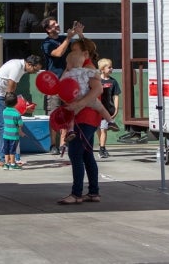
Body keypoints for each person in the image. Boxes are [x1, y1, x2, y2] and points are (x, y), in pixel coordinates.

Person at [57, 38, 104, 205]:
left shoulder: (88, 69)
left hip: (85, 117)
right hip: (85, 117)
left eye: (75, 50)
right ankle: (93, 192)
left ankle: (77, 193)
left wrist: (80, 104)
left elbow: (97, 89)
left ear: (85, 54)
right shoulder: (78, 68)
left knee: (76, 153)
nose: (72, 54)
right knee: (86, 154)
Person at [0, 55, 43, 167]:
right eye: (35, 69)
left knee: (8, 125)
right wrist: (10, 106)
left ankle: (11, 157)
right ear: (29, 64)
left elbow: (13, 86)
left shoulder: (20, 67)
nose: (35, 72)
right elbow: (10, 86)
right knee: (5, 126)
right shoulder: (17, 67)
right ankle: (3, 159)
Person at [41, 17, 84, 154]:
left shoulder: (66, 38)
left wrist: (79, 34)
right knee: (54, 114)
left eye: (57, 22)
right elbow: (58, 53)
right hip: (53, 85)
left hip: (67, 84)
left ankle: (63, 144)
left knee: (67, 113)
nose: (58, 25)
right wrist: (68, 38)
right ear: (48, 29)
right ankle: (53, 145)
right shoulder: (47, 43)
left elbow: (83, 48)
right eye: (54, 24)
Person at [97, 58, 121, 159]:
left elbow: (116, 95)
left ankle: (102, 149)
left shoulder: (113, 82)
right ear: (102, 69)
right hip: (96, 110)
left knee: (103, 129)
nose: (112, 69)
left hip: (107, 111)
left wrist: (116, 108)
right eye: (109, 67)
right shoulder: (97, 81)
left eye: (112, 67)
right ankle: (101, 146)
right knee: (99, 129)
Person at [1, 92, 24, 170]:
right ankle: (13, 164)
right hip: (14, 136)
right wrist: (21, 132)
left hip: (5, 134)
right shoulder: (17, 114)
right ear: (16, 103)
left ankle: (6, 164)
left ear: (5, 102)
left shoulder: (4, 112)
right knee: (12, 151)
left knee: (6, 150)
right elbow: (20, 124)